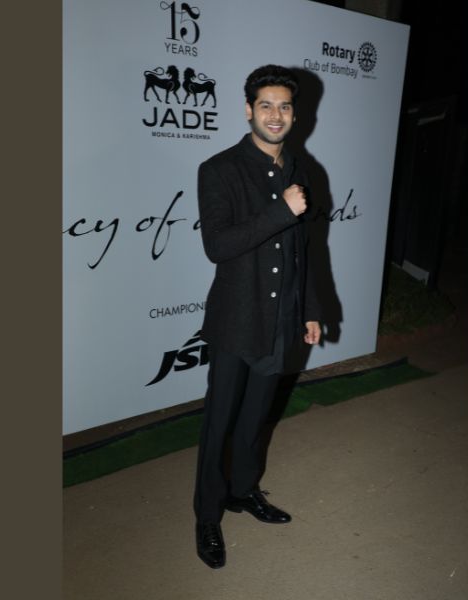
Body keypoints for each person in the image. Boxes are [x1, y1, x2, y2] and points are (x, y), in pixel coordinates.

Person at [193, 65, 322, 569]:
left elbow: (305, 250)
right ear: (248, 110)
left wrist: (309, 309)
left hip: (281, 320)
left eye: (284, 106)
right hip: (235, 322)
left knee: (254, 420)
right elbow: (217, 245)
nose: (275, 115)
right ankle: (207, 515)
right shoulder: (218, 169)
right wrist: (281, 210)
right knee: (219, 424)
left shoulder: (301, 169)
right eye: (266, 105)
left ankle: (243, 491)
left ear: (294, 114)